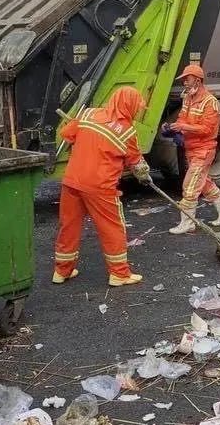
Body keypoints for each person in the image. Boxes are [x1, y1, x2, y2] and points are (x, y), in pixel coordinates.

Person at [53, 86, 152, 287]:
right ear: (129, 105)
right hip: (100, 187)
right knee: (112, 228)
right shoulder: (127, 131)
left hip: (72, 181)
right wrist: (145, 177)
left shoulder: (88, 113)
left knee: (69, 226)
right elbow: (137, 165)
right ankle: (119, 274)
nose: (137, 110)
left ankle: (61, 271)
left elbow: (66, 134)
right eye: (136, 106)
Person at [166, 65, 220, 235]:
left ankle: (188, 223)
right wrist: (175, 128)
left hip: (204, 151)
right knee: (203, 183)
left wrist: (184, 126)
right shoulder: (187, 97)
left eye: (186, 79)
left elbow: (207, 129)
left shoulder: (211, 102)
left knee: (190, 186)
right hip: (192, 149)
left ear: (197, 80)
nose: (184, 83)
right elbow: (182, 117)